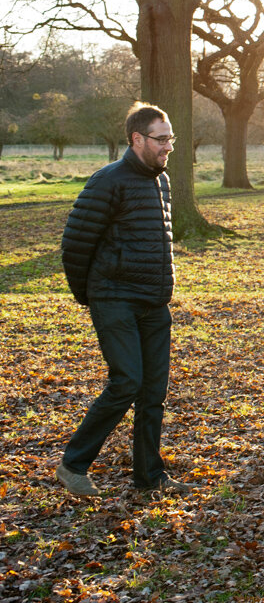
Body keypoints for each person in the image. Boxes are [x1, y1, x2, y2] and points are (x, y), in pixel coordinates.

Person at [54, 102, 191, 498]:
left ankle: (149, 477)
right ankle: (73, 465)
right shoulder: (107, 181)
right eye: (161, 139)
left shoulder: (160, 181)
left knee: (153, 391)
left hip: (154, 302)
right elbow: (75, 245)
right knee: (126, 381)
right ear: (137, 139)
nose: (168, 146)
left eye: (171, 139)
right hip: (114, 298)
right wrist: (92, 295)